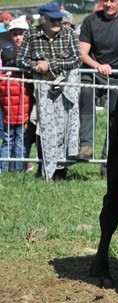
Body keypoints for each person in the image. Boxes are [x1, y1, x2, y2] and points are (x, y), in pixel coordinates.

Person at [77, 0, 118, 178]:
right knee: (85, 94)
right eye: (105, 0)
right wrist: (97, 65)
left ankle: (108, 167)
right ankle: (86, 145)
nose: (108, 4)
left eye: (113, 1)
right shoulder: (90, 20)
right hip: (93, 72)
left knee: (115, 118)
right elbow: (82, 52)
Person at [16, 2, 82, 181]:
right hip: (42, 88)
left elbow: (77, 59)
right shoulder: (31, 33)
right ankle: (45, 169)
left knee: (66, 126)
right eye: (53, 19)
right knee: (44, 128)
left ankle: (62, 169)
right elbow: (20, 60)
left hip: (67, 87)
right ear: (43, 19)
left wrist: (49, 64)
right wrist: (36, 66)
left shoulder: (68, 33)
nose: (57, 22)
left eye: (59, 19)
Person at [0, 19, 34, 172]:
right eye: (15, 34)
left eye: (21, 34)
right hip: (16, 106)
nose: (18, 37)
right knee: (16, 139)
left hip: (17, 105)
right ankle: (14, 169)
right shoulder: (10, 53)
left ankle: (9, 169)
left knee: (12, 139)